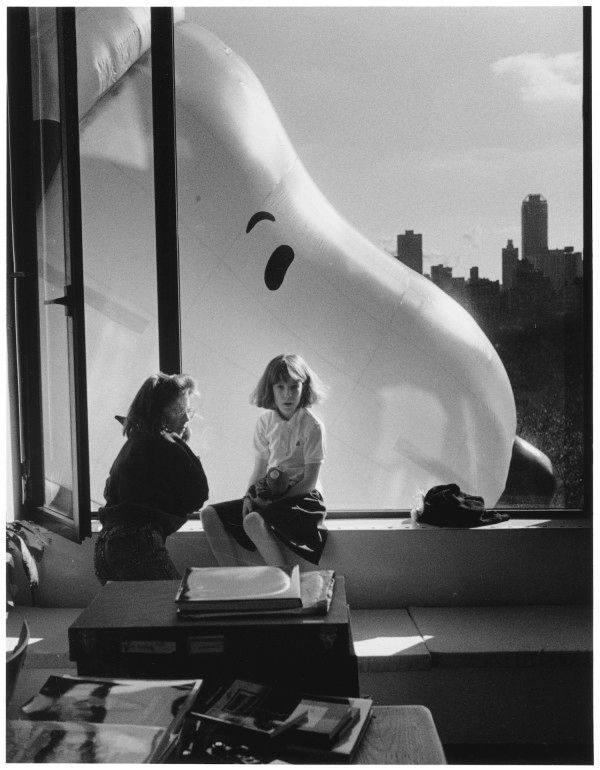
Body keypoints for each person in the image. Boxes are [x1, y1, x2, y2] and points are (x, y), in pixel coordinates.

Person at [201, 354, 328, 567]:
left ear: (304, 388)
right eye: (280, 387)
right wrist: (250, 498)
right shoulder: (265, 423)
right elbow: (259, 471)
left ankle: (284, 581)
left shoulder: (312, 426)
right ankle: (234, 581)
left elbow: (309, 482)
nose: (287, 394)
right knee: (209, 515)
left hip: (303, 498)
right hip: (269, 492)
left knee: (252, 520)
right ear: (271, 389)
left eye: (294, 387)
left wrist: (271, 501)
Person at [94, 373, 209, 584]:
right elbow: (199, 493)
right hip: (136, 544)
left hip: (104, 548)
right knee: (170, 608)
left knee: (135, 616)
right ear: (157, 413)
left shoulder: (133, 444)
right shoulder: (165, 441)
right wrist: (187, 454)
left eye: (188, 411)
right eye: (177, 411)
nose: (186, 419)